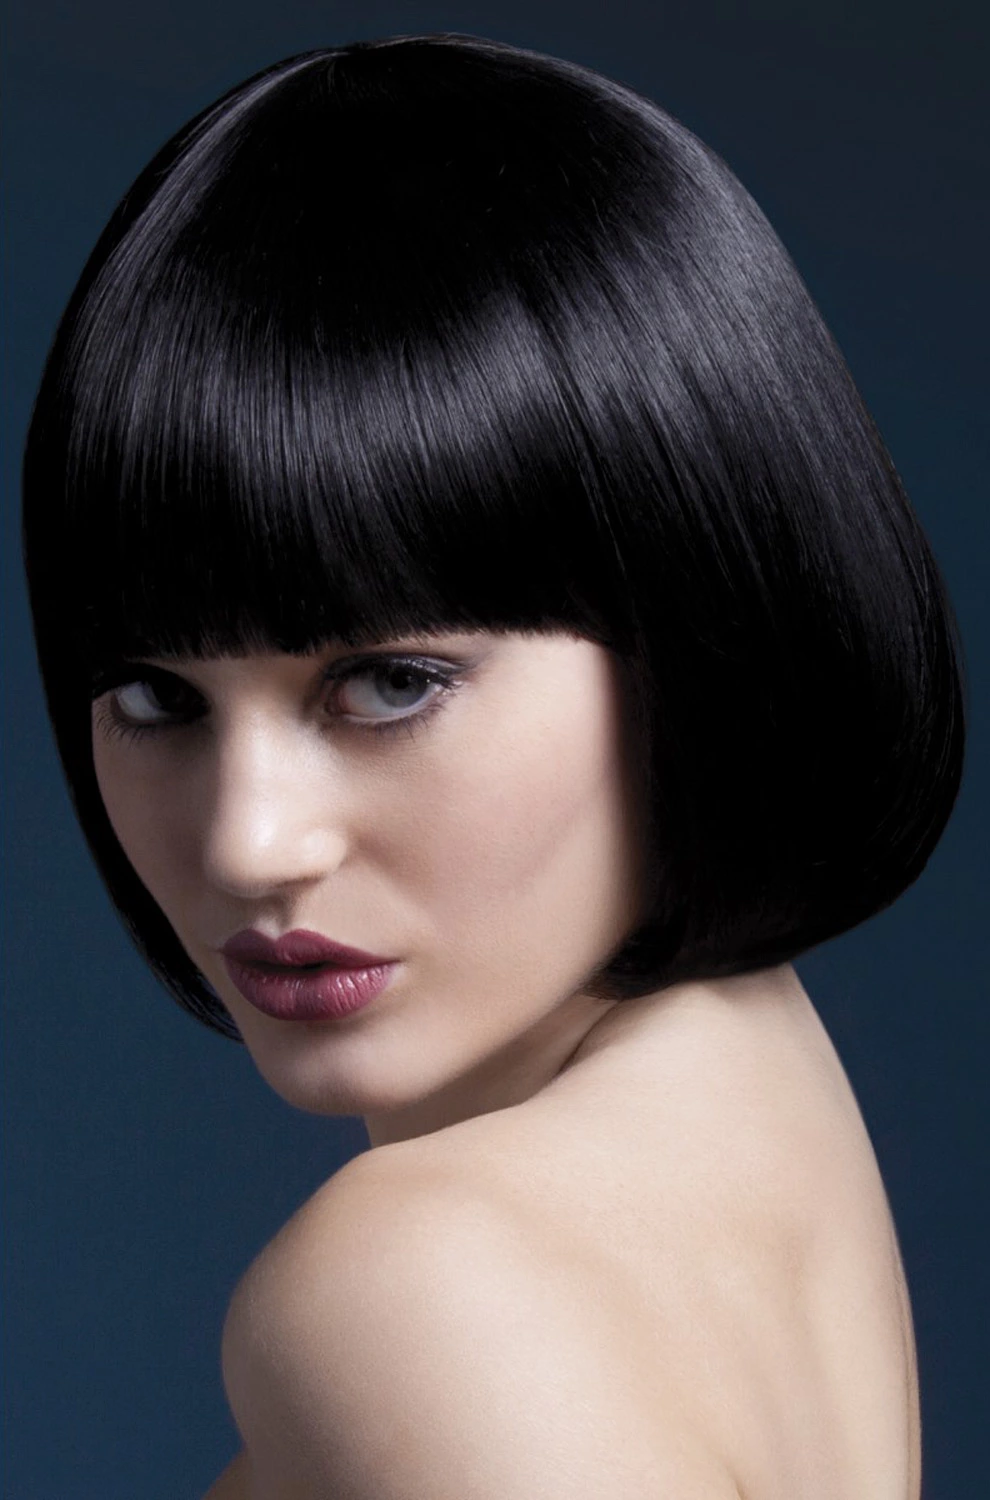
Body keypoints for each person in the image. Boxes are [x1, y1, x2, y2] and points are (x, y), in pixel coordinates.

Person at [22, 30, 964, 1499]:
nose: (246, 844)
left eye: (390, 683)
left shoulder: (418, 1283)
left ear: (693, 636)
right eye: (155, 697)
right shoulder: (750, 1095)